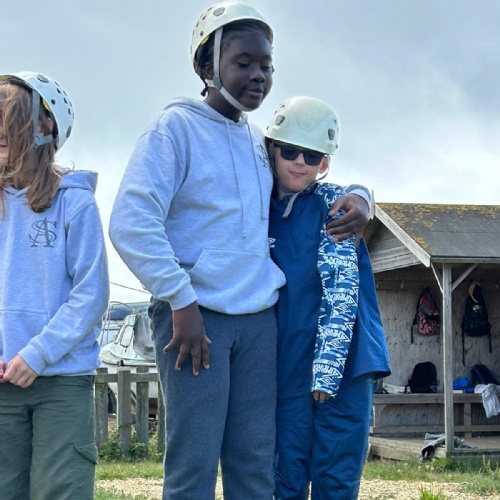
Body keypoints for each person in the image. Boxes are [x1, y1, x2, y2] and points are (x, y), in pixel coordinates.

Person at [109, 3, 370, 499]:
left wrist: (362, 197)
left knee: (255, 462)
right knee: (195, 459)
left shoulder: (256, 141)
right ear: (206, 67)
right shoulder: (174, 129)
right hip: (196, 319)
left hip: (258, 322)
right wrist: (180, 299)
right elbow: (131, 221)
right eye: (243, 62)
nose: (258, 75)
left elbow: (305, 183)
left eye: (266, 65)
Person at [266, 96, 391, 500]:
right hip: (288, 362)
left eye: (312, 154)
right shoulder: (256, 212)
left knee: (336, 479)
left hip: (347, 363)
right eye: (289, 150)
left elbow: (342, 290)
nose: (299, 161)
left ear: (325, 163)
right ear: (271, 149)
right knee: (285, 475)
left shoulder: (337, 208)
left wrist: (362, 195)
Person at [0, 72, 109, 500]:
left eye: (8, 118)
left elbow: (91, 294)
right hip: (2, 380)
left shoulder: (74, 203)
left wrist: (38, 353)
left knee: (60, 491)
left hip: (62, 379)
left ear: (45, 125)